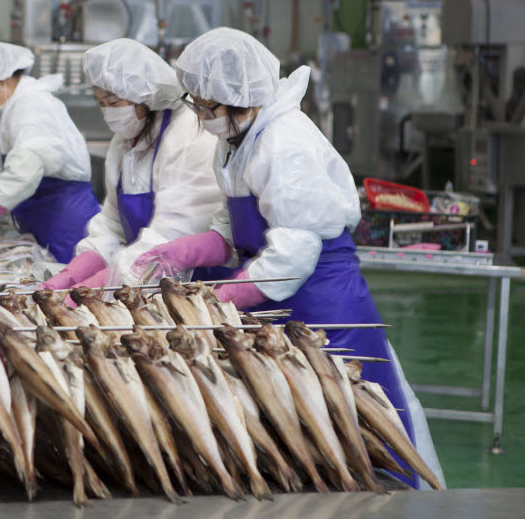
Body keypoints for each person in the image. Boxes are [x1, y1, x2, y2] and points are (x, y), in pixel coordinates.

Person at [134, 27, 444, 487]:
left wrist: (223, 296)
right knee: (306, 436)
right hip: (282, 304)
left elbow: (294, 252)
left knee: (365, 429)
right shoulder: (238, 139)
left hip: (326, 305)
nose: (201, 116)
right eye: (194, 104)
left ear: (239, 96)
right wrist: (192, 248)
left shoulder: (285, 140)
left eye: (207, 106)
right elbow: (234, 220)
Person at [42, 38, 224, 290]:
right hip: (143, 282)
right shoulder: (123, 142)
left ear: (144, 97)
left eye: (114, 102)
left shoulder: (188, 133)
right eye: (101, 103)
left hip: (199, 285)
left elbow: (171, 234)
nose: (108, 112)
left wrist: (104, 284)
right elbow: (113, 225)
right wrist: (75, 273)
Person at [0, 41, 100, 262]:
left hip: (64, 224)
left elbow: (22, 173)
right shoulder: (19, 107)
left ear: (1, 80)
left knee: (70, 289)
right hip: (47, 220)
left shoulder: (31, 107)